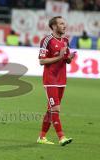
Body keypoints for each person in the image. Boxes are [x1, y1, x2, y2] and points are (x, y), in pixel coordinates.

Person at [37, 16, 75, 146]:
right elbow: (42, 61)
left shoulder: (65, 40)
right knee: (56, 108)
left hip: (61, 80)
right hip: (50, 79)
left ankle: (42, 137)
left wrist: (69, 58)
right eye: (61, 24)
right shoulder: (46, 40)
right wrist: (59, 57)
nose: (64, 26)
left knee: (50, 110)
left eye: (64, 23)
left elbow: (66, 60)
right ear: (54, 26)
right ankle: (61, 137)